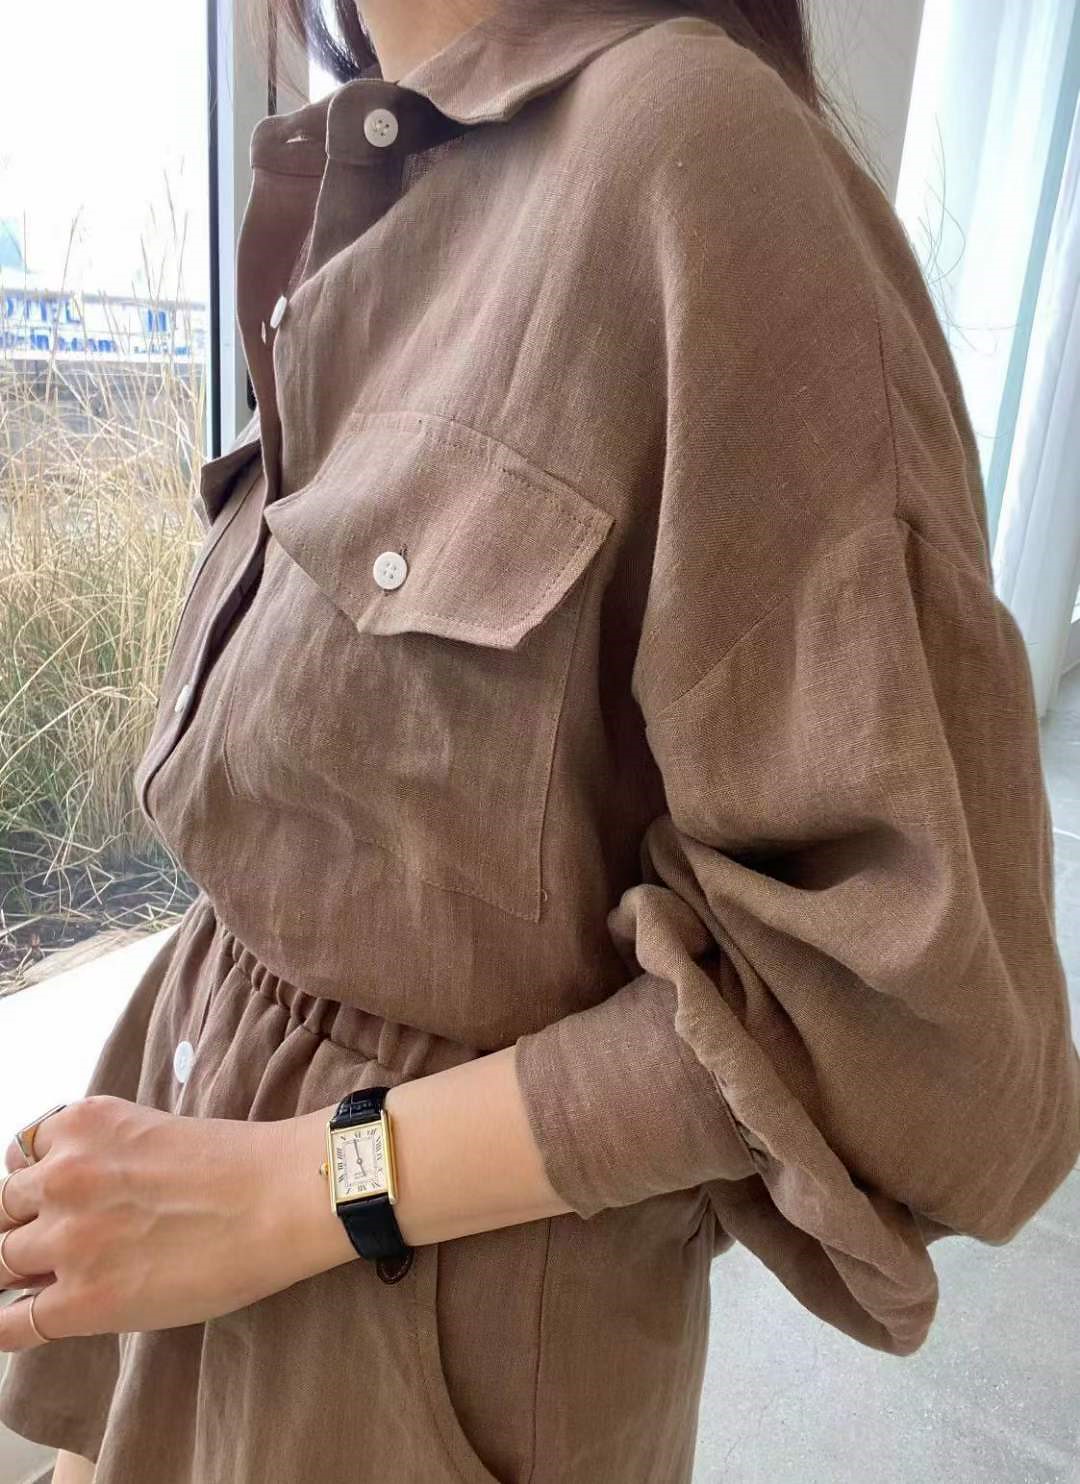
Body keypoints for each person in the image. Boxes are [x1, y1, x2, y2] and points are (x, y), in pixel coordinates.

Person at [2, 0, 1079, 1479]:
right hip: (176, 1219)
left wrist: (292, 1190)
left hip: (403, 1341)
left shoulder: (700, 161)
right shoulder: (393, 161)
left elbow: (908, 1023)